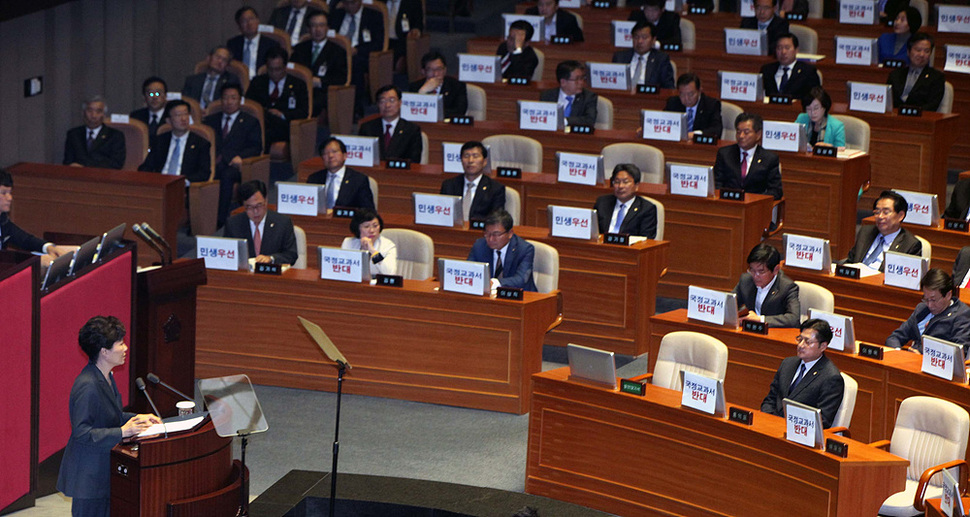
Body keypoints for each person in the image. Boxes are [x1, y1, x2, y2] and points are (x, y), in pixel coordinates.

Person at [57, 316, 161, 517]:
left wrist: (138, 419)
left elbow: (110, 416)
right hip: (89, 478)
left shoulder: (106, 376)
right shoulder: (87, 386)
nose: (125, 348)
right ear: (104, 352)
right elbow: (82, 433)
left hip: (104, 470)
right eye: (120, 344)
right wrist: (123, 431)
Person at [760, 318, 845, 428]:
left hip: (799, 433)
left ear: (823, 346)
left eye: (808, 342)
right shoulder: (787, 363)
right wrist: (769, 420)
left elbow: (823, 421)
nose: (801, 345)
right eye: (799, 339)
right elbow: (770, 399)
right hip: (772, 425)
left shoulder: (831, 377)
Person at [203, 84, 263, 228]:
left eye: (233, 98)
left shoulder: (250, 121)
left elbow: (256, 147)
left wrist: (237, 157)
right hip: (214, 162)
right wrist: (223, 157)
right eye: (225, 98)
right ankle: (198, 219)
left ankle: (221, 219)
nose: (229, 102)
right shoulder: (210, 120)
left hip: (237, 166)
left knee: (226, 175)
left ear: (240, 100)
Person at [885, 269, 970, 355]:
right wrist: (898, 352)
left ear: (948, 295)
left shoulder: (961, 315)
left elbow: (959, 353)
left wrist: (922, 357)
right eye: (926, 299)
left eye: (933, 300)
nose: (929, 305)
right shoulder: (921, 309)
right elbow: (894, 338)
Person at [0, 169, 70, 265]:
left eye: (10, 192)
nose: (10, 198)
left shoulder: (3, 220)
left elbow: (25, 240)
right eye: (4, 193)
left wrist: (49, 247)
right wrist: (36, 261)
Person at [245, 47, 309, 151]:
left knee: (266, 132)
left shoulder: (298, 84)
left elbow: (303, 112)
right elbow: (249, 105)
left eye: (278, 69)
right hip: (262, 122)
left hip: (284, 126)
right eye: (271, 69)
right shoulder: (257, 82)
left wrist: (282, 114)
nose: (274, 73)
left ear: (285, 67)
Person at [842, 190, 921, 271]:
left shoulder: (910, 244)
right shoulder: (866, 232)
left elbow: (904, 279)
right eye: (877, 212)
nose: (880, 216)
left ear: (900, 216)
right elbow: (851, 260)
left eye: (886, 212)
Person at [224, 180, 298, 265]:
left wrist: (271, 258)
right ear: (244, 206)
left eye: (259, 205)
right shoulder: (233, 224)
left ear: (266, 200)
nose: (255, 211)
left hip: (271, 274)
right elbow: (227, 255)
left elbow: (291, 255)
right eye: (250, 207)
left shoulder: (283, 223)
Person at [290, 11, 349, 118]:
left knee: (308, 103)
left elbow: (341, 78)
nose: (318, 30)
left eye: (321, 25)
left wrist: (321, 82)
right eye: (314, 26)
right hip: (299, 90)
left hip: (321, 92)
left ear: (327, 28)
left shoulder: (337, 51)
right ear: (308, 29)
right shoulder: (299, 49)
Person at [137, 101, 211, 184]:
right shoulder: (160, 140)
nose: (183, 119)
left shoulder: (200, 143)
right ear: (168, 120)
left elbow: (204, 173)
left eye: (186, 114)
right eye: (178, 115)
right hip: (160, 185)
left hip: (184, 187)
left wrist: (182, 182)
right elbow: (147, 166)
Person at [713, 113, 783, 200]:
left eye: (746, 132)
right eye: (738, 132)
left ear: (758, 135)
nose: (741, 136)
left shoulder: (769, 159)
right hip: (728, 204)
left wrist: (754, 200)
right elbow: (716, 184)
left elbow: (776, 191)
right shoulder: (725, 154)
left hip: (754, 207)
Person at [467, 209, 537, 291]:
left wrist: (495, 283)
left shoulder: (524, 249)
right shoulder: (479, 246)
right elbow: (469, 271)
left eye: (496, 234)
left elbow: (521, 279)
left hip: (520, 297)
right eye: (487, 234)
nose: (491, 239)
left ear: (510, 233)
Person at [733, 243, 800, 327]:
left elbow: (794, 319)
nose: (755, 276)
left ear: (776, 270)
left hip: (774, 333)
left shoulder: (787, 287)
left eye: (761, 271)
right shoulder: (745, 280)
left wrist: (760, 319)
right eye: (752, 270)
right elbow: (730, 304)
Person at [439, 141, 506, 221]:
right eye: (466, 156)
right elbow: (442, 216)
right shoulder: (449, 185)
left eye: (475, 156)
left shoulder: (496, 189)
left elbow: (495, 220)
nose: (470, 160)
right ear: (461, 160)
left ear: (485, 162)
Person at [306, 137, 376, 211]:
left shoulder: (359, 180)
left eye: (334, 151)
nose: (330, 156)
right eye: (325, 153)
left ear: (345, 156)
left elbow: (368, 211)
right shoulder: (313, 179)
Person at [358, 85, 423, 163]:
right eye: (382, 101)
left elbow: (414, 160)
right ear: (378, 104)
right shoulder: (367, 128)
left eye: (392, 100)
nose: (387, 105)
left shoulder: (412, 130)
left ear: (400, 103)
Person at [593, 164, 658, 238]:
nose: (620, 186)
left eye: (625, 182)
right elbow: (593, 231)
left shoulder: (646, 209)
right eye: (617, 182)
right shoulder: (602, 203)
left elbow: (647, 239)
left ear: (636, 186)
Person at [886, 32, 945, 111]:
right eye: (918, 50)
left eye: (926, 51)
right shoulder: (895, 75)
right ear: (908, 52)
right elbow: (888, 100)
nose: (922, 55)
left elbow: (932, 105)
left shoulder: (937, 77)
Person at [63, 96, 126, 170]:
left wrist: (85, 167)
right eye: (90, 111)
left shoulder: (115, 136)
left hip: (104, 177)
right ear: (83, 113)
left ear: (104, 115)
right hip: (77, 177)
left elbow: (116, 164)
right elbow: (67, 162)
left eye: (98, 112)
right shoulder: (73, 134)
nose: (93, 115)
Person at [611, 22, 675, 89]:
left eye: (644, 37)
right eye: (636, 37)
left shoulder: (661, 60)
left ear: (653, 40)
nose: (639, 41)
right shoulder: (620, 57)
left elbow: (668, 88)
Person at [407, 51, 468, 119]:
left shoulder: (457, 86)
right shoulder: (415, 86)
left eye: (439, 69)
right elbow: (409, 111)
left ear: (445, 70)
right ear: (423, 71)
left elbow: (460, 111)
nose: (435, 74)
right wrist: (422, 92)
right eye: (430, 70)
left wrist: (430, 112)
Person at [226, 6, 282, 79]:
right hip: (238, 83)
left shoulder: (272, 44)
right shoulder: (233, 44)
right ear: (239, 26)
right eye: (244, 21)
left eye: (252, 19)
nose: (249, 24)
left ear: (258, 21)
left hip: (263, 82)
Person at [760, 33, 820, 99]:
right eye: (779, 48)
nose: (783, 52)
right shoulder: (766, 70)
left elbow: (816, 97)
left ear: (796, 50)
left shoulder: (808, 72)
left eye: (787, 48)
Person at [539, 61, 598, 127]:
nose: (581, 82)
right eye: (577, 79)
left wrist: (564, 121)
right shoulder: (547, 96)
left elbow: (589, 120)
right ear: (563, 82)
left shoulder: (589, 97)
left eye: (582, 78)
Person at [664, 73, 722, 138]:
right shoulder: (673, 103)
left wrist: (695, 134)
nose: (686, 98)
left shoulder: (711, 105)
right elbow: (663, 123)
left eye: (690, 94)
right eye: (682, 94)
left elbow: (716, 129)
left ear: (699, 91)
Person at [342, 209, 397, 276]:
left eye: (375, 226)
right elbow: (343, 269)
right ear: (357, 228)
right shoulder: (348, 243)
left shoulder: (388, 245)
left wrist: (372, 251)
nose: (372, 230)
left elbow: (390, 273)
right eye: (366, 226)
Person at [378, 0, 424, 72]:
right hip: (380, 40)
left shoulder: (413, 2)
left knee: (393, 61)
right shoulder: (379, 3)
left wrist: (415, 31)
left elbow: (418, 25)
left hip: (400, 41)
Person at [129, 76, 171, 151]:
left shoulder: (171, 117)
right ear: (144, 97)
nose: (154, 97)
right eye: (150, 94)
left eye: (158, 93)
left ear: (165, 96)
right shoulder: (135, 117)